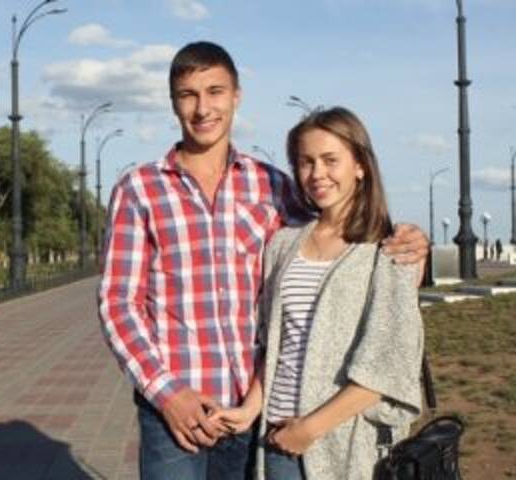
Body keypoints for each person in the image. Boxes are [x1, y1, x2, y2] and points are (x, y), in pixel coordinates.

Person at [98, 41, 428, 480]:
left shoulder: (271, 185)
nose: (203, 108)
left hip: (252, 413)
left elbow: (339, 239)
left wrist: (412, 245)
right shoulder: (140, 188)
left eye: (215, 91)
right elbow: (119, 303)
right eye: (188, 95)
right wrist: (167, 393)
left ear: (237, 96)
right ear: (173, 102)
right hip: (175, 412)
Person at [211, 107, 424, 480]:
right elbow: (275, 345)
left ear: (360, 166)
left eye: (330, 160)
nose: (317, 173)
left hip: (345, 444)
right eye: (306, 162)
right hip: (278, 439)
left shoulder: (389, 249)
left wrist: (310, 429)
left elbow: (388, 364)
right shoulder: (283, 244)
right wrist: (249, 410)